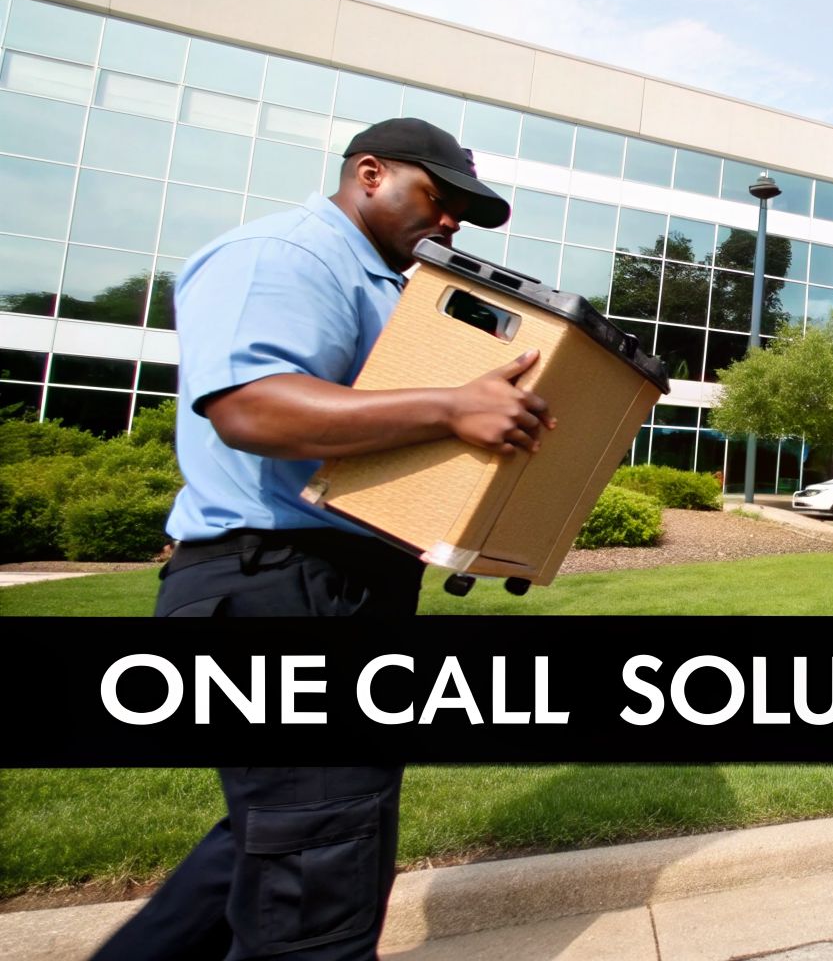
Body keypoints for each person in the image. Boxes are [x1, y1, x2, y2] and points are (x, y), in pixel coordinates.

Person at [94, 117, 552, 961]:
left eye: (460, 210)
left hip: (337, 589)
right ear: (369, 173)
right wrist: (453, 405)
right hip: (275, 583)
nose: (449, 220)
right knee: (318, 884)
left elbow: (380, 438)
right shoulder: (286, 257)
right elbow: (253, 407)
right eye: (438, 197)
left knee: (279, 838)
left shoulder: (392, 289)